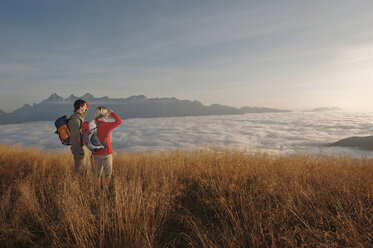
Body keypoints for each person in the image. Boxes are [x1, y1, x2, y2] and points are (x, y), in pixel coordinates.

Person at [92, 106, 122, 188]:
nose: (107, 115)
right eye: (106, 113)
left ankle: (97, 190)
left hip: (95, 152)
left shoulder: (92, 124)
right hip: (106, 153)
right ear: (103, 114)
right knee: (107, 174)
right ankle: (106, 191)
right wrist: (111, 112)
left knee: (97, 173)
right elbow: (119, 121)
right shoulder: (105, 125)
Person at [68, 99, 90, 174]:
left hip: (83, 148)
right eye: (84, 106)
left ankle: (86, 185)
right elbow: (74, 138)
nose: (86, 108)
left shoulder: (79, 118)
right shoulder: (75, 120)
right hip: (79, 150)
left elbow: (82, 115)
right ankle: (80, 185)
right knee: (81, 172)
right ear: (80, 107)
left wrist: (86, 109)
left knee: (86, 170)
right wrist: (80, 152)